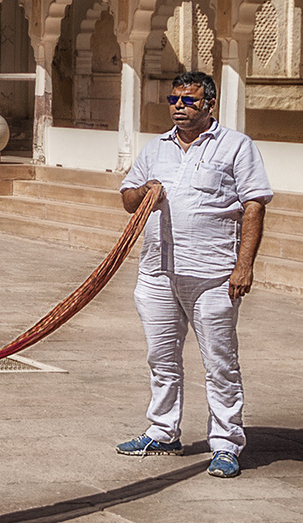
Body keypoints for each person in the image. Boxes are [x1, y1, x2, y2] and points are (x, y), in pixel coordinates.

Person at [115, 70, 271, 479]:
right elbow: (128, 200)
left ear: (209, 104)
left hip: (214, 275)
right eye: (174, 100)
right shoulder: (156, 149)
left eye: (189, 101)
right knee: (161, 359)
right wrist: (145, 189)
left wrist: (244, 264)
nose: (179, 107)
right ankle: (163, 431)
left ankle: (225, 444)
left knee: (220, 364)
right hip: (158, 273)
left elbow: (254, 205)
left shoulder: (236, 146)